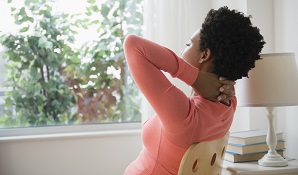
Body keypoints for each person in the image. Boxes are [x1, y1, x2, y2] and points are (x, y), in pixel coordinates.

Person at [123, 6, 265, 175]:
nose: (182, 51)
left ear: (204, 55)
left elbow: (133, 45)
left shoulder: (184, 116)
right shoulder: (228, 105)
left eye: (188, 44)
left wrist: (194, 76)